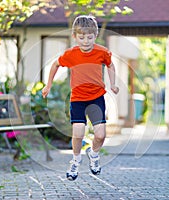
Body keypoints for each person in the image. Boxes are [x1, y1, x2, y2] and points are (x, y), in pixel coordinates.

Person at [42, 15, 119, 181]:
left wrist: (113, 83)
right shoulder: (71, 54)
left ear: (95, 36)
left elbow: (110, 65)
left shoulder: (102, 52)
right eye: (81, 37)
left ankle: (93, 154)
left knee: (100, 135)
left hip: (97, 97)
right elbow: (55, 65)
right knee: (78, 132)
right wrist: (48, 85)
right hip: (78, 98)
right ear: (74, 36)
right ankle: (76, 160)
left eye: (89, 37)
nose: (85, 41)